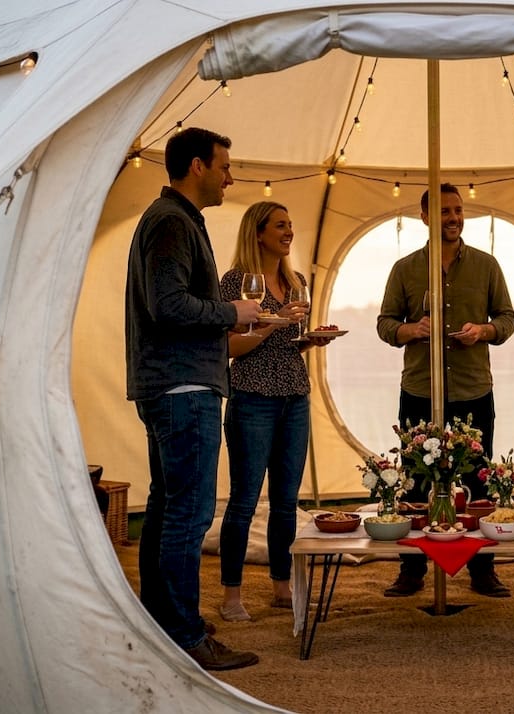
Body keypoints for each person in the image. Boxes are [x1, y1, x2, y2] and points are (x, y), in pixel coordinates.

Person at [125, 127, 261, 672]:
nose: (230, 177)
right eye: (224, 166)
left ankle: (162, 622)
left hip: (171, 383)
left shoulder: (175, 220)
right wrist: (234, 312)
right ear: (198, 166)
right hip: (184, 388)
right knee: (189, 512)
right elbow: (169, 305)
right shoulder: (171, 222)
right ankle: (184, 636)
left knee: (166, 506)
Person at [376, 183, 514, 598]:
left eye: (457, 211)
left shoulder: (487, 265)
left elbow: (507, 319)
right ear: (424, 216)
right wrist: (411, 330)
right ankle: (412, 570)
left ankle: (482, 570)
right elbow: (385, 323)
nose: (453, 218)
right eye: (444, 211)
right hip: (420, 390)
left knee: (478, 482)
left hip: (473, 392)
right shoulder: (404, 268)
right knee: (416, 484)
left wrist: (484, 331)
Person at [216, 201, 334, 622]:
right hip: (252, 397)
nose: (289, 232)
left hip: (294, 396)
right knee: (244, 500)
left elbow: (287, 345)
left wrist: (310, 341)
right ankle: (231, 595)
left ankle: (282, 588)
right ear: (258, 233)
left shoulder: (295, 280)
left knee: (286, 502)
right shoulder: (236, 281)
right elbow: (230, 347)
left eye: (290, 225)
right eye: (280, 225)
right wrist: (274, 323)